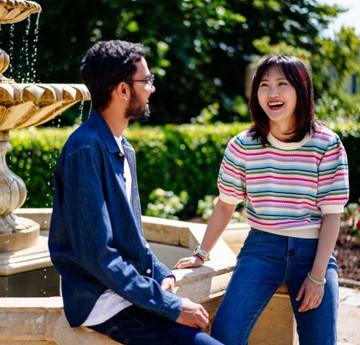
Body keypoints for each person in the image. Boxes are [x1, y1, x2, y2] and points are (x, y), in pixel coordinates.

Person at [48, 40, 223, 345]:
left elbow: (131, 237)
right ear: (123, 90)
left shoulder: (123, 148)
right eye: (147, 81)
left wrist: (161, 272)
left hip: (127, 292)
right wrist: (170, 305)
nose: (152, 88)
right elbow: (97, 254)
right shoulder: (85, 150)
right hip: (103, 303)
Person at [175, 55, 349, 345]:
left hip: (313, 251)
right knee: (224, 337)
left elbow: (332, 214)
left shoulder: (326, 143)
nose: (273, 93)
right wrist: (200, 254)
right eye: (264, 85)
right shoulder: (242, 145)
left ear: (301, 90)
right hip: (261, 250)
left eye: (283, 84)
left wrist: (318, 276)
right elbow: (226, 204)